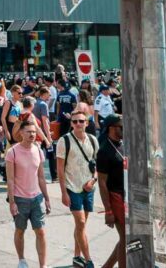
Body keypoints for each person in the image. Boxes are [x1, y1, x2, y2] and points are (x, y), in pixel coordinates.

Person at [5, 119, 51, 268]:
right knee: (20, 230)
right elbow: (10, 180)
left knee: (41, 232)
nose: (32, 134)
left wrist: (47, 199)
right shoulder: (12, 152)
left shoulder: (38, 150)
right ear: (21, 133)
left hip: (37, 198)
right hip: (20, 199)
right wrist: (12, 202)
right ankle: (22, 260)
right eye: (29, 132)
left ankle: (42, 265)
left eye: (34, 131)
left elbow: (41, 177)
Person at [57, 109, 99, 268]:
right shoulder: (64, 141)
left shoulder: (93, 140)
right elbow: (60, 169)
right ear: (71, 124)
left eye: (81, 121)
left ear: (87, 123)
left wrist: (93, 180)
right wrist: (63, 193)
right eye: (75, 121)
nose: (78, 124)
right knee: (80, 222)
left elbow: (96, 164)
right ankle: (88, 260)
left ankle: (76, 256)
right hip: (72, 187)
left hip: (88, 188)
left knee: (81, 226)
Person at [97, 115, 126, 268]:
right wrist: (108, 211)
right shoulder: (104, 150)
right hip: (115, 197)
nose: (123, 129)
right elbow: (102, 183)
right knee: (126, 238)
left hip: (127, 196)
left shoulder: (123, 144)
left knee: (125, 238)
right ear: (112, 128)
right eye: (121, 126)